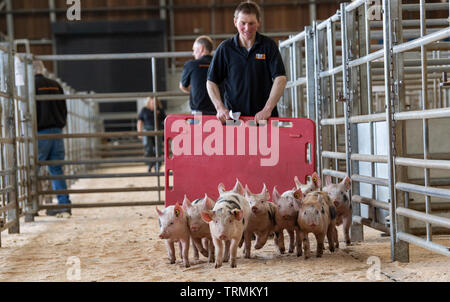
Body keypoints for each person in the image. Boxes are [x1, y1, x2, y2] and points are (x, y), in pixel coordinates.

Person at [207, 1, 287, 124]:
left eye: (251, 23)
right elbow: (211, 81)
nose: (247, 28)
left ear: (258, 22)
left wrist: (267, 109)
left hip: (264, 118)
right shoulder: (225, 48)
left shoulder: (268, 45)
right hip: (233, 120)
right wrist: (220, 108)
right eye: (243, 23)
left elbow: (280, 78)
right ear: (235, 22)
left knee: (268, 144)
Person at [34, 60, 72, 217]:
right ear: (43, 69)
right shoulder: (56, 85)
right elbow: (64, 109)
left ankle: (31, 205)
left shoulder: (31, 86)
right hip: (57, 132)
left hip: (40, 133)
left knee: (33, 169)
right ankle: (64, 205)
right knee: (57, 170)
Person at [179, 35, 217, 116]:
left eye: (194, 50)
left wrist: (197, 90)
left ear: (201, 48)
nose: (193, 53)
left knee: (196, 129)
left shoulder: (191, 65)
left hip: (199, 112)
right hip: (218, 111)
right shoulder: (219, 64)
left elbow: (183, 86)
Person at [137, 97, 166, 172]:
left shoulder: (160, 110)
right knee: (148, 149)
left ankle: (157, 166)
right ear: (149, 102)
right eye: (152, 103)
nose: (154, 104)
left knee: (158, 149)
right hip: (147, 131)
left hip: (158, 131)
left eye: (155, 103)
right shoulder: (144, 110)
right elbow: (140, 121)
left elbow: (165, 120)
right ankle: (150, 165)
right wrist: (139, 132)